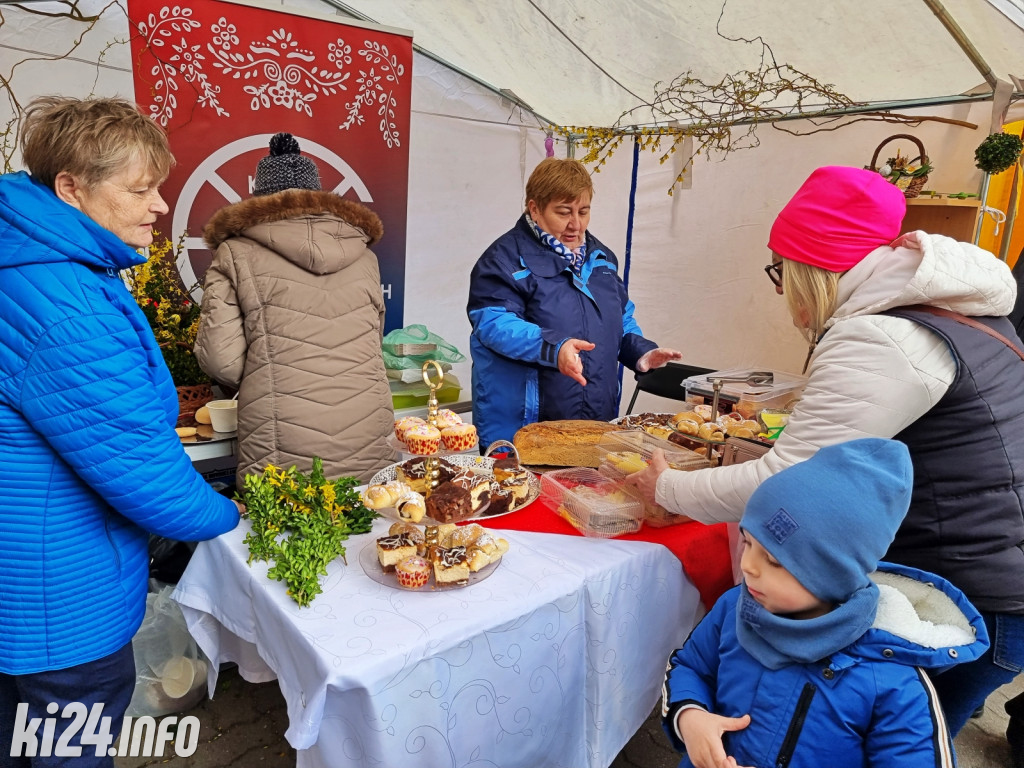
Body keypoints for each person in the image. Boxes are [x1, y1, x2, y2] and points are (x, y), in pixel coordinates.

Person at [626, 164, 1024, 739]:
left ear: (808, 267)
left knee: (869, 738)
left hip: (963, 589)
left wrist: (667, 487)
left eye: (780, 270)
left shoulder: (880, 335)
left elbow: (792, 481)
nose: (783, 288)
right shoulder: (956, 311)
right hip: (990, 575)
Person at [0, 96, 241, 766]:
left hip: (24, 575)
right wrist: (230, 518)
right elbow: (141, 470)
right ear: (70, 188)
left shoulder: (33, 262)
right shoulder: (62, 302)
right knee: (67, 745)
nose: (160, 205)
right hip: (56, 598)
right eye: (139, 189)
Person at [662, 438, 987, 768]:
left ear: (834, 573)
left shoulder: (894, 682)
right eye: (747, 543)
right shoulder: (735, 607)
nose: (747, 565)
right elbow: (690, 666)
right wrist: (689, 716)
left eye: (773, 560)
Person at [195, 132, 394, 485]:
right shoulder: (365, 256)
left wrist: (273, 370)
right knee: (372, 528)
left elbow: (220, 361)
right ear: (319, 195)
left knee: (287, 532)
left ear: (260, 197)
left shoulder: (235, 253)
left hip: (282, 438)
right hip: (367, 428)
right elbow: (371, 340)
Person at [467, 156, 683, 446]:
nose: (575, 224)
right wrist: (555, 348)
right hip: (523, 429)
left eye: (584, 211)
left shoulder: (602, 259)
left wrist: (642, 353)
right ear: (535, 209)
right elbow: (494, 324)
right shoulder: (502, 259)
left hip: (595, 422)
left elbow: (621, 319)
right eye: (563, 212)